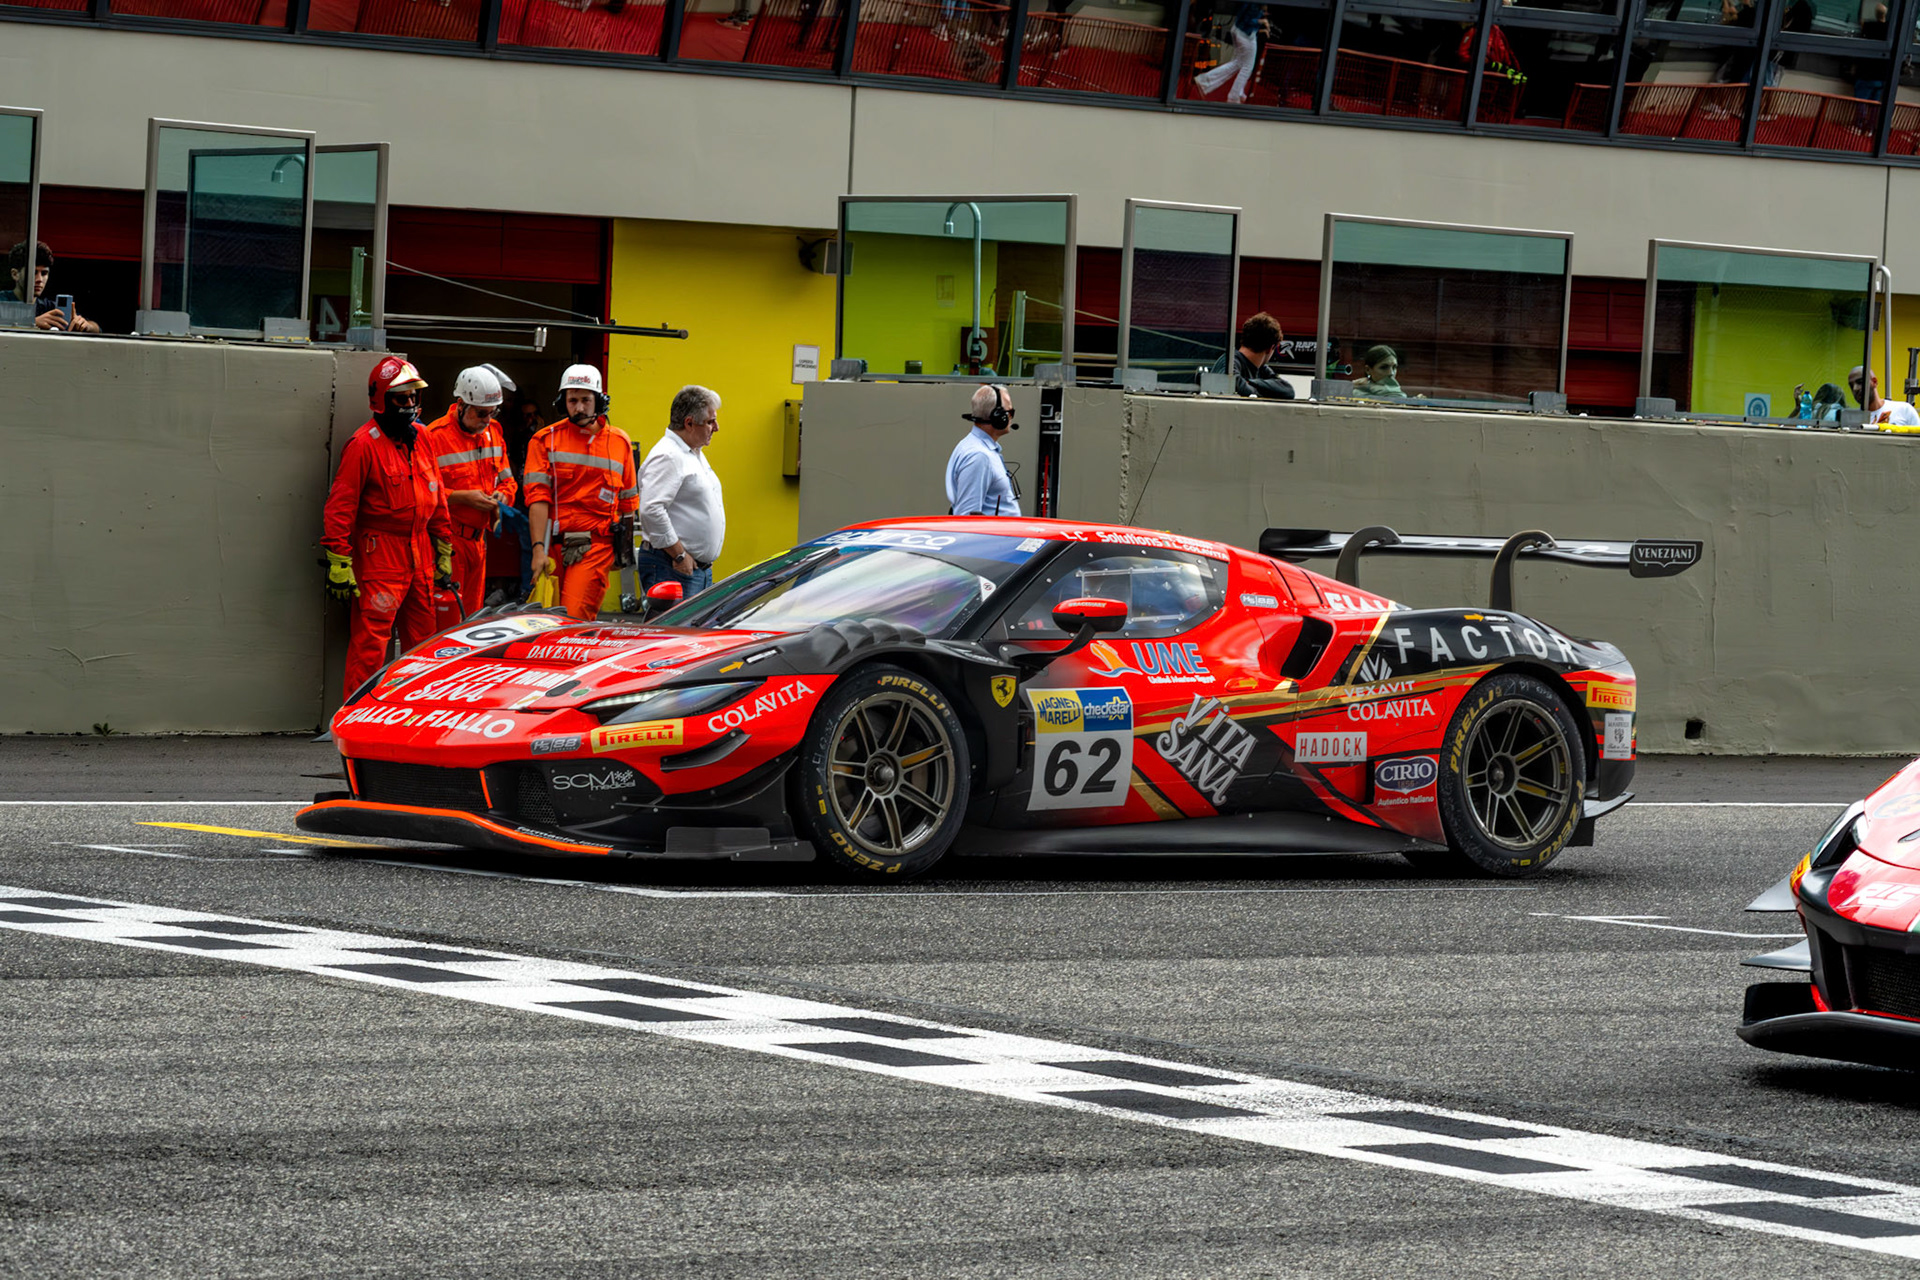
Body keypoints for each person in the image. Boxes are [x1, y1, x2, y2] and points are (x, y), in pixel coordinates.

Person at [321, 357, 456, 695]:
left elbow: (436, 493)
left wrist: (443, 545)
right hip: (380, 557)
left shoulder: (422, 437)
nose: (409, 403)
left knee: (423, 645)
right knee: (371, 646)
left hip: (420, 554)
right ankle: (357, 713)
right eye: (401, 397)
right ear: (381, 399)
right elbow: (341, 506)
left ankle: (418, 711)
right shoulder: (363, 445)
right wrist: (339, 559)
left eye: (413, 396)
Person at [524, 364, 639, 621]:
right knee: (545, 622)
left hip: (595, 547)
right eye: (572, 400)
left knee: (573, 618)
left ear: (599, 400)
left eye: (586, 400)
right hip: (553, 545)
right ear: (562, 402)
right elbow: (538, 498)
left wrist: (623, 554)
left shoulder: (619, 443)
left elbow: (628, 505)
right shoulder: (544, 440)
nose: (579, 408)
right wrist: (538, 550)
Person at [422, 366, 518, 618]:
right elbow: (421, 494)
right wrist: (462, 498)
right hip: (447, 542)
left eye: (492, 412)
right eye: (481, 413)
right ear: (461, 405)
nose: (487, 420)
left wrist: (502, 498)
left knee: (472, 619)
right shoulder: (434, 437)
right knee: (448, 619)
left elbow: (508, 481)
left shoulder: (494, 432)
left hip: (479, 542)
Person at [637, 385, 727, 595]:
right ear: (689, 423)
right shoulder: (669, 455)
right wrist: (679, 555)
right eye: (710, 422)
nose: (716, 428)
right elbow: (651, 509)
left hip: (692, 568)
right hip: (673, 565)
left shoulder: (691, 452)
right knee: (673, 619)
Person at [945, 384, 1022, 516]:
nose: (1011, 418)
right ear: (998, 416)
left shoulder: (980, 449)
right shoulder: (979, 456)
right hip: (994, 531)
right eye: (1010, 412)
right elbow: (967, 517)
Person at [8, 241, 100, 333]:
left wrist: (85, 325)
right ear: (15, 274)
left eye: (44, 273)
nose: (39, 279)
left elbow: (96, 328)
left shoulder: (50, 307)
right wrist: (33, 323)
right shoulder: (3, 301)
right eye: (34, 273)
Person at [1207, 312, 1295, 400]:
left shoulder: (1261, 369)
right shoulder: (1229, 362)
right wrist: (1263, 392)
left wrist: (1249, 382)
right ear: (1270, 348)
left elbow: (1287, 390)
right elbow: (1233, 385)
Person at [1194, 2, 1263, 105]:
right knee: (1247, 67)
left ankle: (1205, 81)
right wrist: (1262, 21)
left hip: (1238, 29)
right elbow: (1249, 20)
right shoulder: (1255, 5)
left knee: (1238, 63)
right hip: (1246, 34)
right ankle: (1234, 96)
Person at [1848, 365, 1920, 429]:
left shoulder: (1904, 410)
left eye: (1860, 382)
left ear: (1874, 382)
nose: (1855, 388)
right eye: (1851, 386)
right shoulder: (1852, 420)